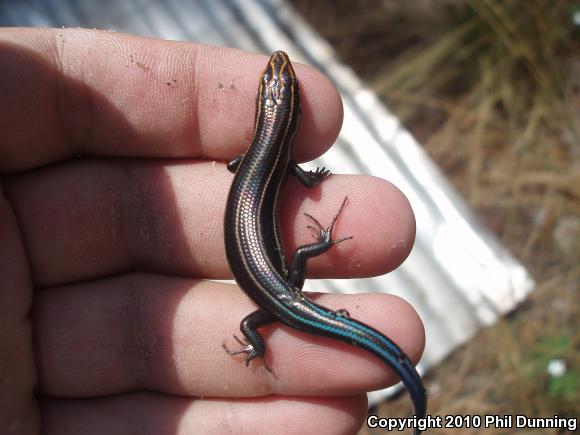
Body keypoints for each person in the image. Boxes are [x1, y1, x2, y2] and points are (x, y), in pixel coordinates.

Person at [0, 28, 424, 434]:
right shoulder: (282, 161)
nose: (277, 71)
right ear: (289, 120)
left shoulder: (266, 157)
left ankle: (265, 345)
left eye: (278, 86)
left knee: (288, 277)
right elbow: (299, 181)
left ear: (266, 112)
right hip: (273, 298)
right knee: (268, 300)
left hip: (275, 294)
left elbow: (236, 166)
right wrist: (314, 187)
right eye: (275, 85)